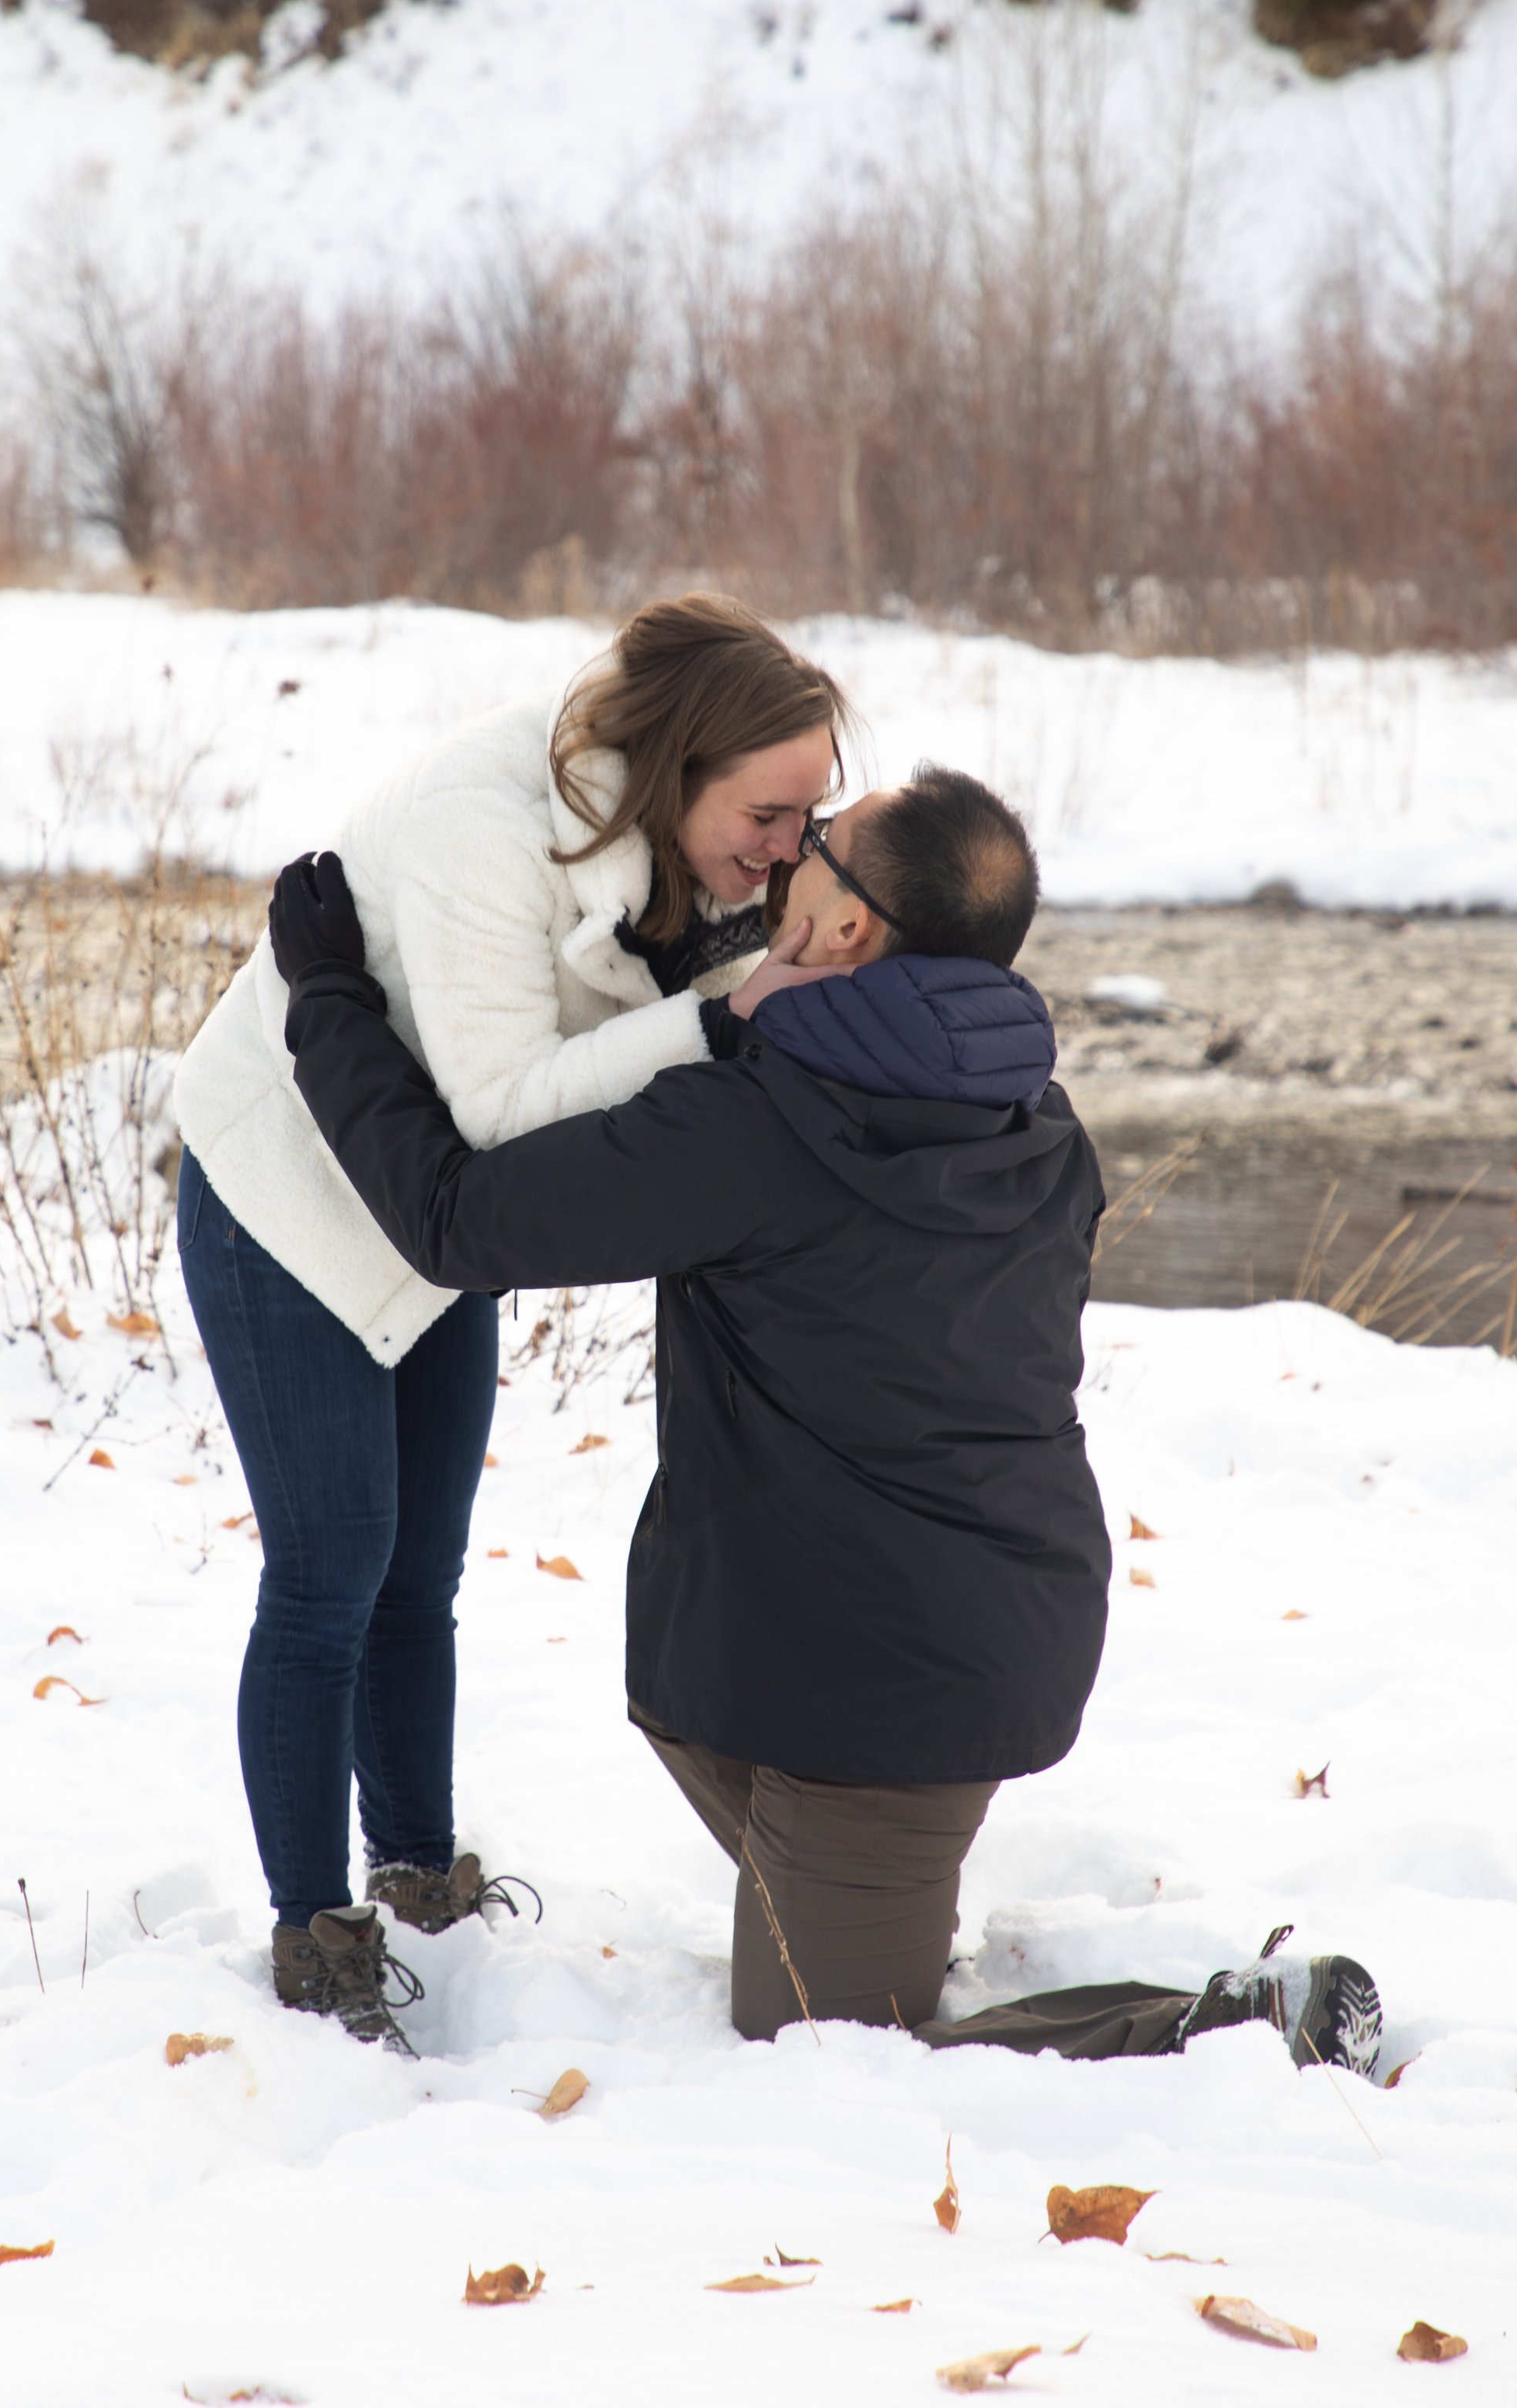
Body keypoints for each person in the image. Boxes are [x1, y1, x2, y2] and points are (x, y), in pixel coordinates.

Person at [264, 766, 1385, 2075]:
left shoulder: (761, 1130)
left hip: (888, 1689)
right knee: (805, 1886)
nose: (793, 847)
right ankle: (871, 1898)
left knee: (835, 2043)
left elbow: (457, 1217)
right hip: (893, 1633)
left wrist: (329, 998)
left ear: (847, 929)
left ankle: (1250, 2024)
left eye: (823, 844)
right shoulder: (1040, 1121)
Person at [172, 596, 847, 2045]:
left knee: (420, 1575)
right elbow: (495, 1114)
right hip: (287, 1196)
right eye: (772, 811)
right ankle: (313, 1931)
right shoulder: (492, 822)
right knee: (330, 1570)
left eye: (811, 815)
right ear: (684, 766)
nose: (789, 844)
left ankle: (416, 1870)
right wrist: (721, 1023)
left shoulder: (679, 838)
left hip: (424, 1224)